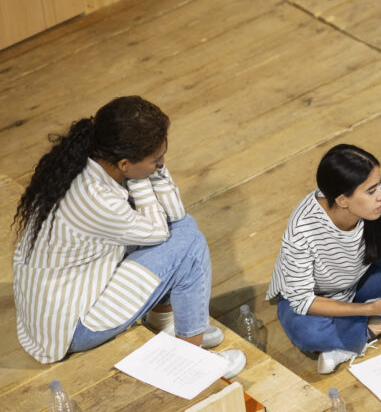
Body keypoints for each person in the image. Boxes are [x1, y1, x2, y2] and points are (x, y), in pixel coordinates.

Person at [12, 96, 245, 378]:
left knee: (185, 230)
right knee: (191, 245)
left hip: (55, 311)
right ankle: (190, 361)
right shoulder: (96, 199)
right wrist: (143, 181)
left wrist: (147, 172)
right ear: (123, 164)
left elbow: (176, 215)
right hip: (72, 327)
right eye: (156, 160)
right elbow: (159, 230)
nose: (161, 165)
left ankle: (168, 324)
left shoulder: (89, 160)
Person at [267, 144, 381, 374]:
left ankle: (362, 332)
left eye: (380, 184)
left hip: (358, 280)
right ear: (343, 200)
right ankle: (378, 322)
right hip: (316, 297)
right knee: (307, 332)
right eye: (371, 190)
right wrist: (368, 308)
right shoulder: (301, 231)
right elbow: (303, 301)